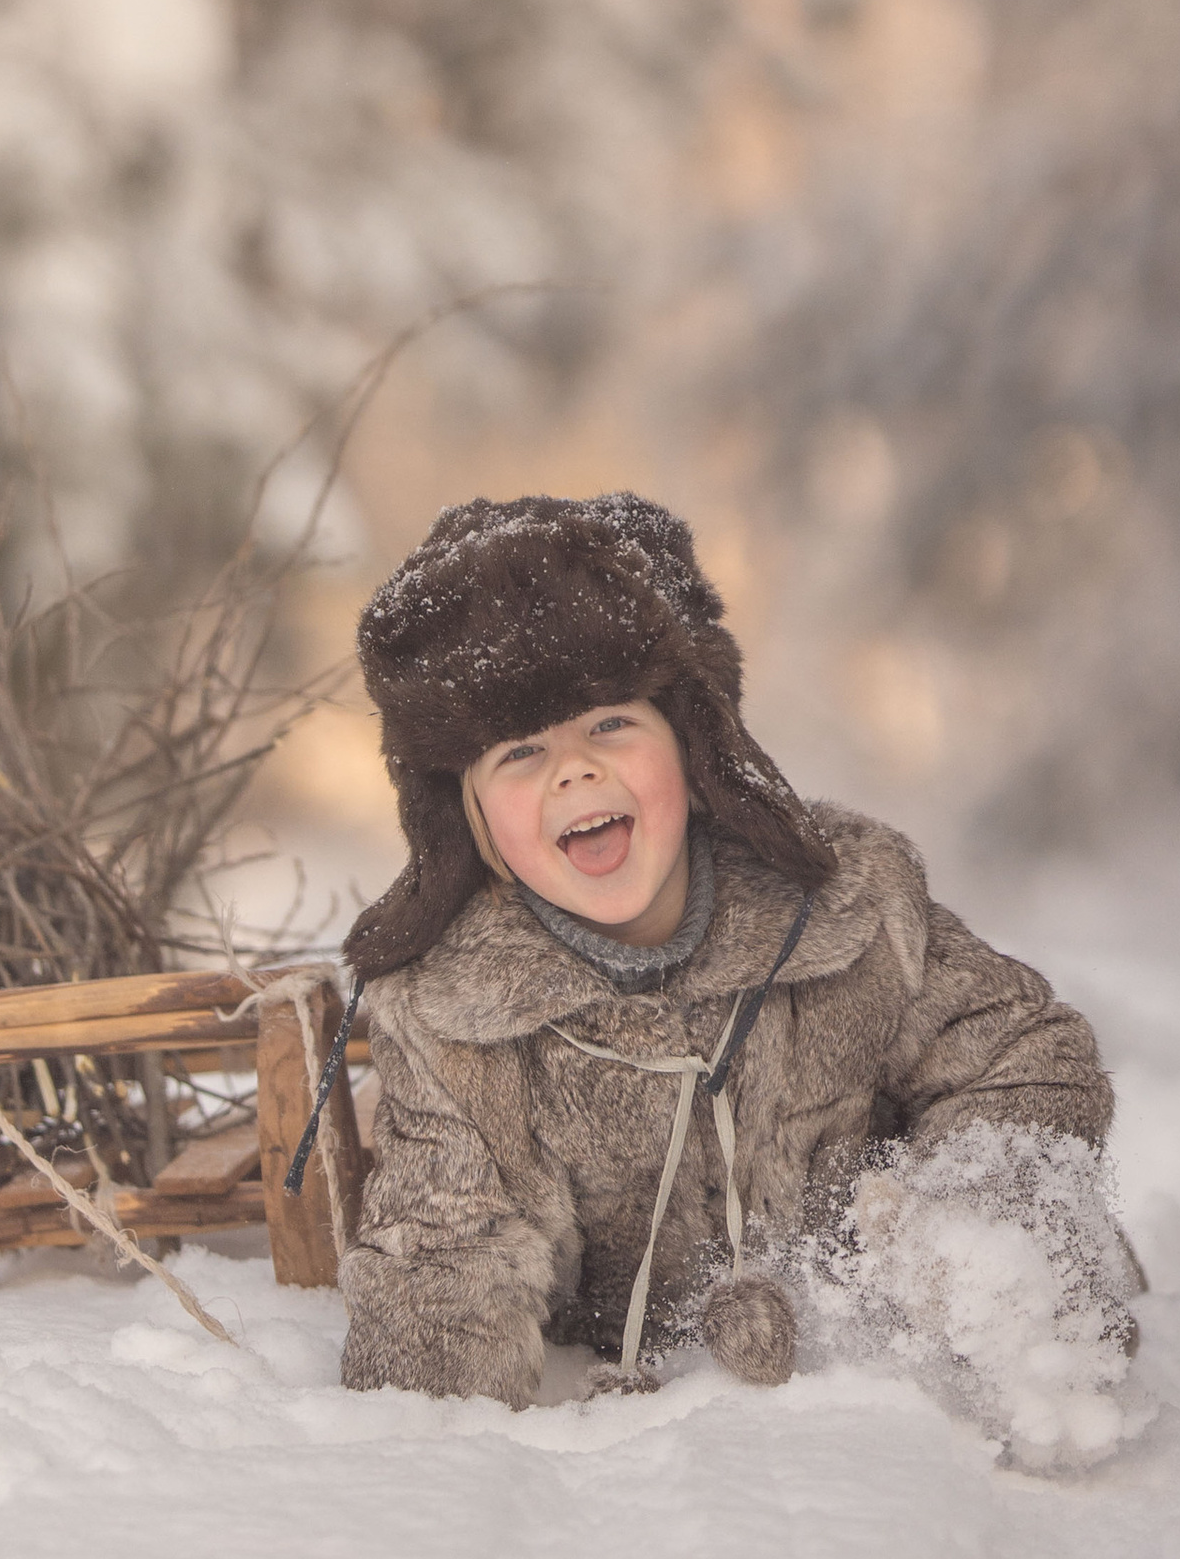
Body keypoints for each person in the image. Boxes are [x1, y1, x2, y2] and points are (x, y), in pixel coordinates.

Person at [330, 490, 1136, 1427]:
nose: (575, 770)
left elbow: (1022, 1055)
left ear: (692, 744)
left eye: (611, 725)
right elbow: (440, 1271)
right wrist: (437, 1370)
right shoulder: (452, 1025)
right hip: (662, 1434)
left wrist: (964, 1231)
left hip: (882, 1389)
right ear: (470, 818)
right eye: (520, 752)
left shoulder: (854, 910)